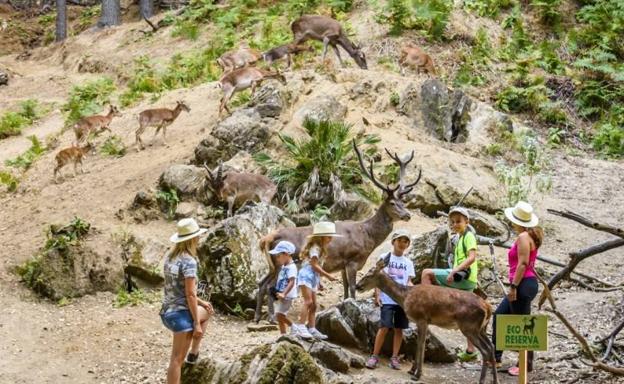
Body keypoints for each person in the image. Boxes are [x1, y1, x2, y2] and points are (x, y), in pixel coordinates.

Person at [421, 206, 480, 362]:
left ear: (467, 221)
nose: (455, 225)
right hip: (468, 279)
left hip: (463, 277)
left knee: (426, 273)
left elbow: (472, 257)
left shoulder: (469, 236)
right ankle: (470, 351)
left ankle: (424, 311)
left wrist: (454, 271)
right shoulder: (461, 237)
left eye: (458, 221)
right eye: (452, 222)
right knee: (466, 315)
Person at [160, 218, 214, 384]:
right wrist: (197, 323)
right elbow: (190, 294)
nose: (199, 239)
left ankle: (194, 352)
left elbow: (182, 290)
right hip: (180, 315)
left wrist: (202, 303)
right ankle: (194, 352)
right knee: (176, 360)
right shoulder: (189, 261)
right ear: (192, 239)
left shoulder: (170, 257)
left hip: (167, 312)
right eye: (197, 236)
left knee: (208, 309)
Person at [492, 201, 542, 376]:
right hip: (525, 283)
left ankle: (525, 365)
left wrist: (513, 286)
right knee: (499, 315)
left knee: (523, 325)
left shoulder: (523, 238)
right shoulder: (529, 236)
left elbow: (523, 264)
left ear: (517, 221)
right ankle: (496, 358)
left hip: (522, 283)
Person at [366, 229, 415, 370]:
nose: (402, 243)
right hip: (387, 298)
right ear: (393, 242)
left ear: (408, 245)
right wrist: (377, 294)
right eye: (399, 240)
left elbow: (409, 281)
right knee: (384, 326)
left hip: (402, 300)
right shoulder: (384, 257)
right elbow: (378, 277)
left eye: (405, 241)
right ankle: (374, 356)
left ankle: (394, 358)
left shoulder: (408, 262)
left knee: (399, 329)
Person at [293, 221, 340, 340]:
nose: (331, 239)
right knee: (308, 302)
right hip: (306, 275)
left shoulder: (321, 249)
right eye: (329, 236)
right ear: (322, 236)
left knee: (314, 305)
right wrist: (327, 275)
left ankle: (312, 328)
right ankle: (301, 326)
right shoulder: (315, 248)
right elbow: (313, 265)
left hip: (313, 277)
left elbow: (316, 266)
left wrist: (319, 282)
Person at [269, 240, 298, 335]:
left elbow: (292, 281)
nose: (277, 259)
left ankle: (293, 327)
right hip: (281, 294)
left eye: (278, 256)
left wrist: (284, 293)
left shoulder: (291, 267)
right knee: (279, 316)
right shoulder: (284, 266)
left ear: (286, 254)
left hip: (286, 295)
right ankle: (283, 334)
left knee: (279, 315)